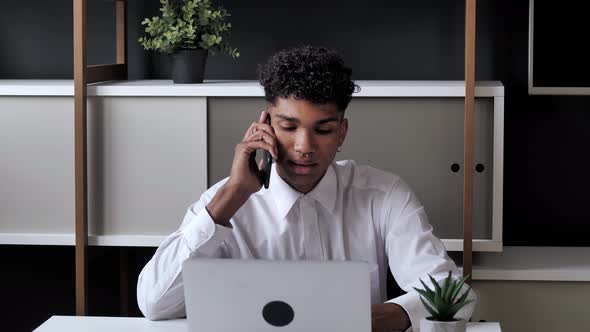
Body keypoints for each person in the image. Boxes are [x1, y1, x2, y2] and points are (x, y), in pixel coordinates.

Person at [137, 45, 477, 331]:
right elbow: (154, 302)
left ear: (342, 133)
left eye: (324, 130)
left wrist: (378, 317)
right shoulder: (225, 200)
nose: (305, 146)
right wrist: (232, 197)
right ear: (264, 126)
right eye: (288, 126)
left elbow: (453, 295)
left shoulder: (384, 194)